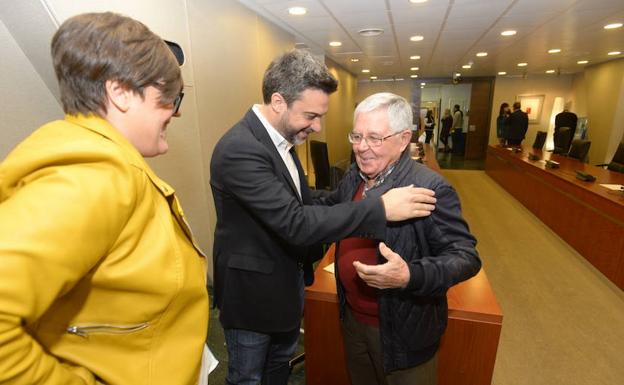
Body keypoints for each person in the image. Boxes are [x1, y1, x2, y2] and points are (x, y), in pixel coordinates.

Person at [0, 12, 210, 385]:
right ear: (121, 93)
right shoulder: (96, 174)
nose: (176, 112)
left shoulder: (102, 161)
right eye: (170, 97)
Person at [210, 50, 437, 385]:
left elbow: (301, 200)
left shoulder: (280, 142)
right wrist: (380, 208)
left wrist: (344, 198)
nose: (317, 126)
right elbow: (296, 222)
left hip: (284, 288)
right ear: (278, 102)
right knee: (247, 378)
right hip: (252, 298)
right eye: (311, 115)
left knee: (277, 370)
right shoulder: (240, 149)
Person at [319, 93, 481, 385]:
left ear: (404, 138)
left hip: (403, 334)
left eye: (375, 138)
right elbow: (333, 208)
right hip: (353, 321)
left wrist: (410, 275)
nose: (361, 148)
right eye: (356, 136)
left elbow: (465, 257)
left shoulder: (429, 188)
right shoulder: (355, 176)